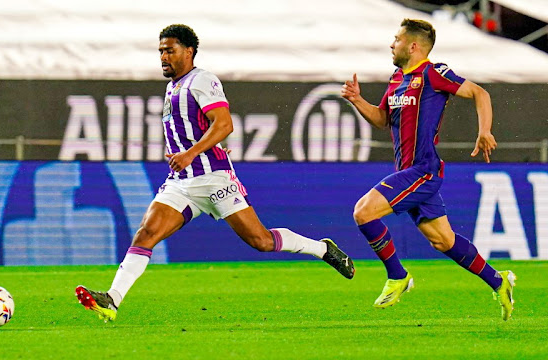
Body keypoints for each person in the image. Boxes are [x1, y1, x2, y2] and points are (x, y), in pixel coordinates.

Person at [76, 24, 355, 322]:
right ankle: (113, 300)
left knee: (260, 240)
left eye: (170, 50)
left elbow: (224, 124)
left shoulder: (202, 80)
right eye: (160, 51)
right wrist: (188, 152)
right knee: (146, 234)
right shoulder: (173, 87)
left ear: (189, 51)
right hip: (183, 183)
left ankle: (322, 248)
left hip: (214, 178)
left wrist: (192, 153)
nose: (163, 57)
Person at [341, 18, 516, 320]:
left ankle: (398, 276)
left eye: (396, 39)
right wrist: (357, 100)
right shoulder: (397, 78)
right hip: (407, 172)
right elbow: (383, 119)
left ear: (412, 46)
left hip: (423, 170)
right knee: (443, 241)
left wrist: (484, 130)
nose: (391, 44)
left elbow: (480, 94)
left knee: (363, 212)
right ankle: (498, 281)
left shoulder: (434, 73)